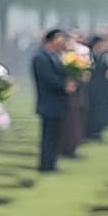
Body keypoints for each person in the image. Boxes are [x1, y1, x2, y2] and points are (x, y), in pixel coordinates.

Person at [33, 28, 72, 173]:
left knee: (55, 135)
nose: (62, 43)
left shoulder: (55, 56)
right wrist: (64, 86)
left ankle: (52, 163)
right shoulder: (40, 57)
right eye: (59, 40)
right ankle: (46, 165)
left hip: (57, 103)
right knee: (48, 136)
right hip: (48, 103)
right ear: (51, 40)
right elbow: (47, 79)